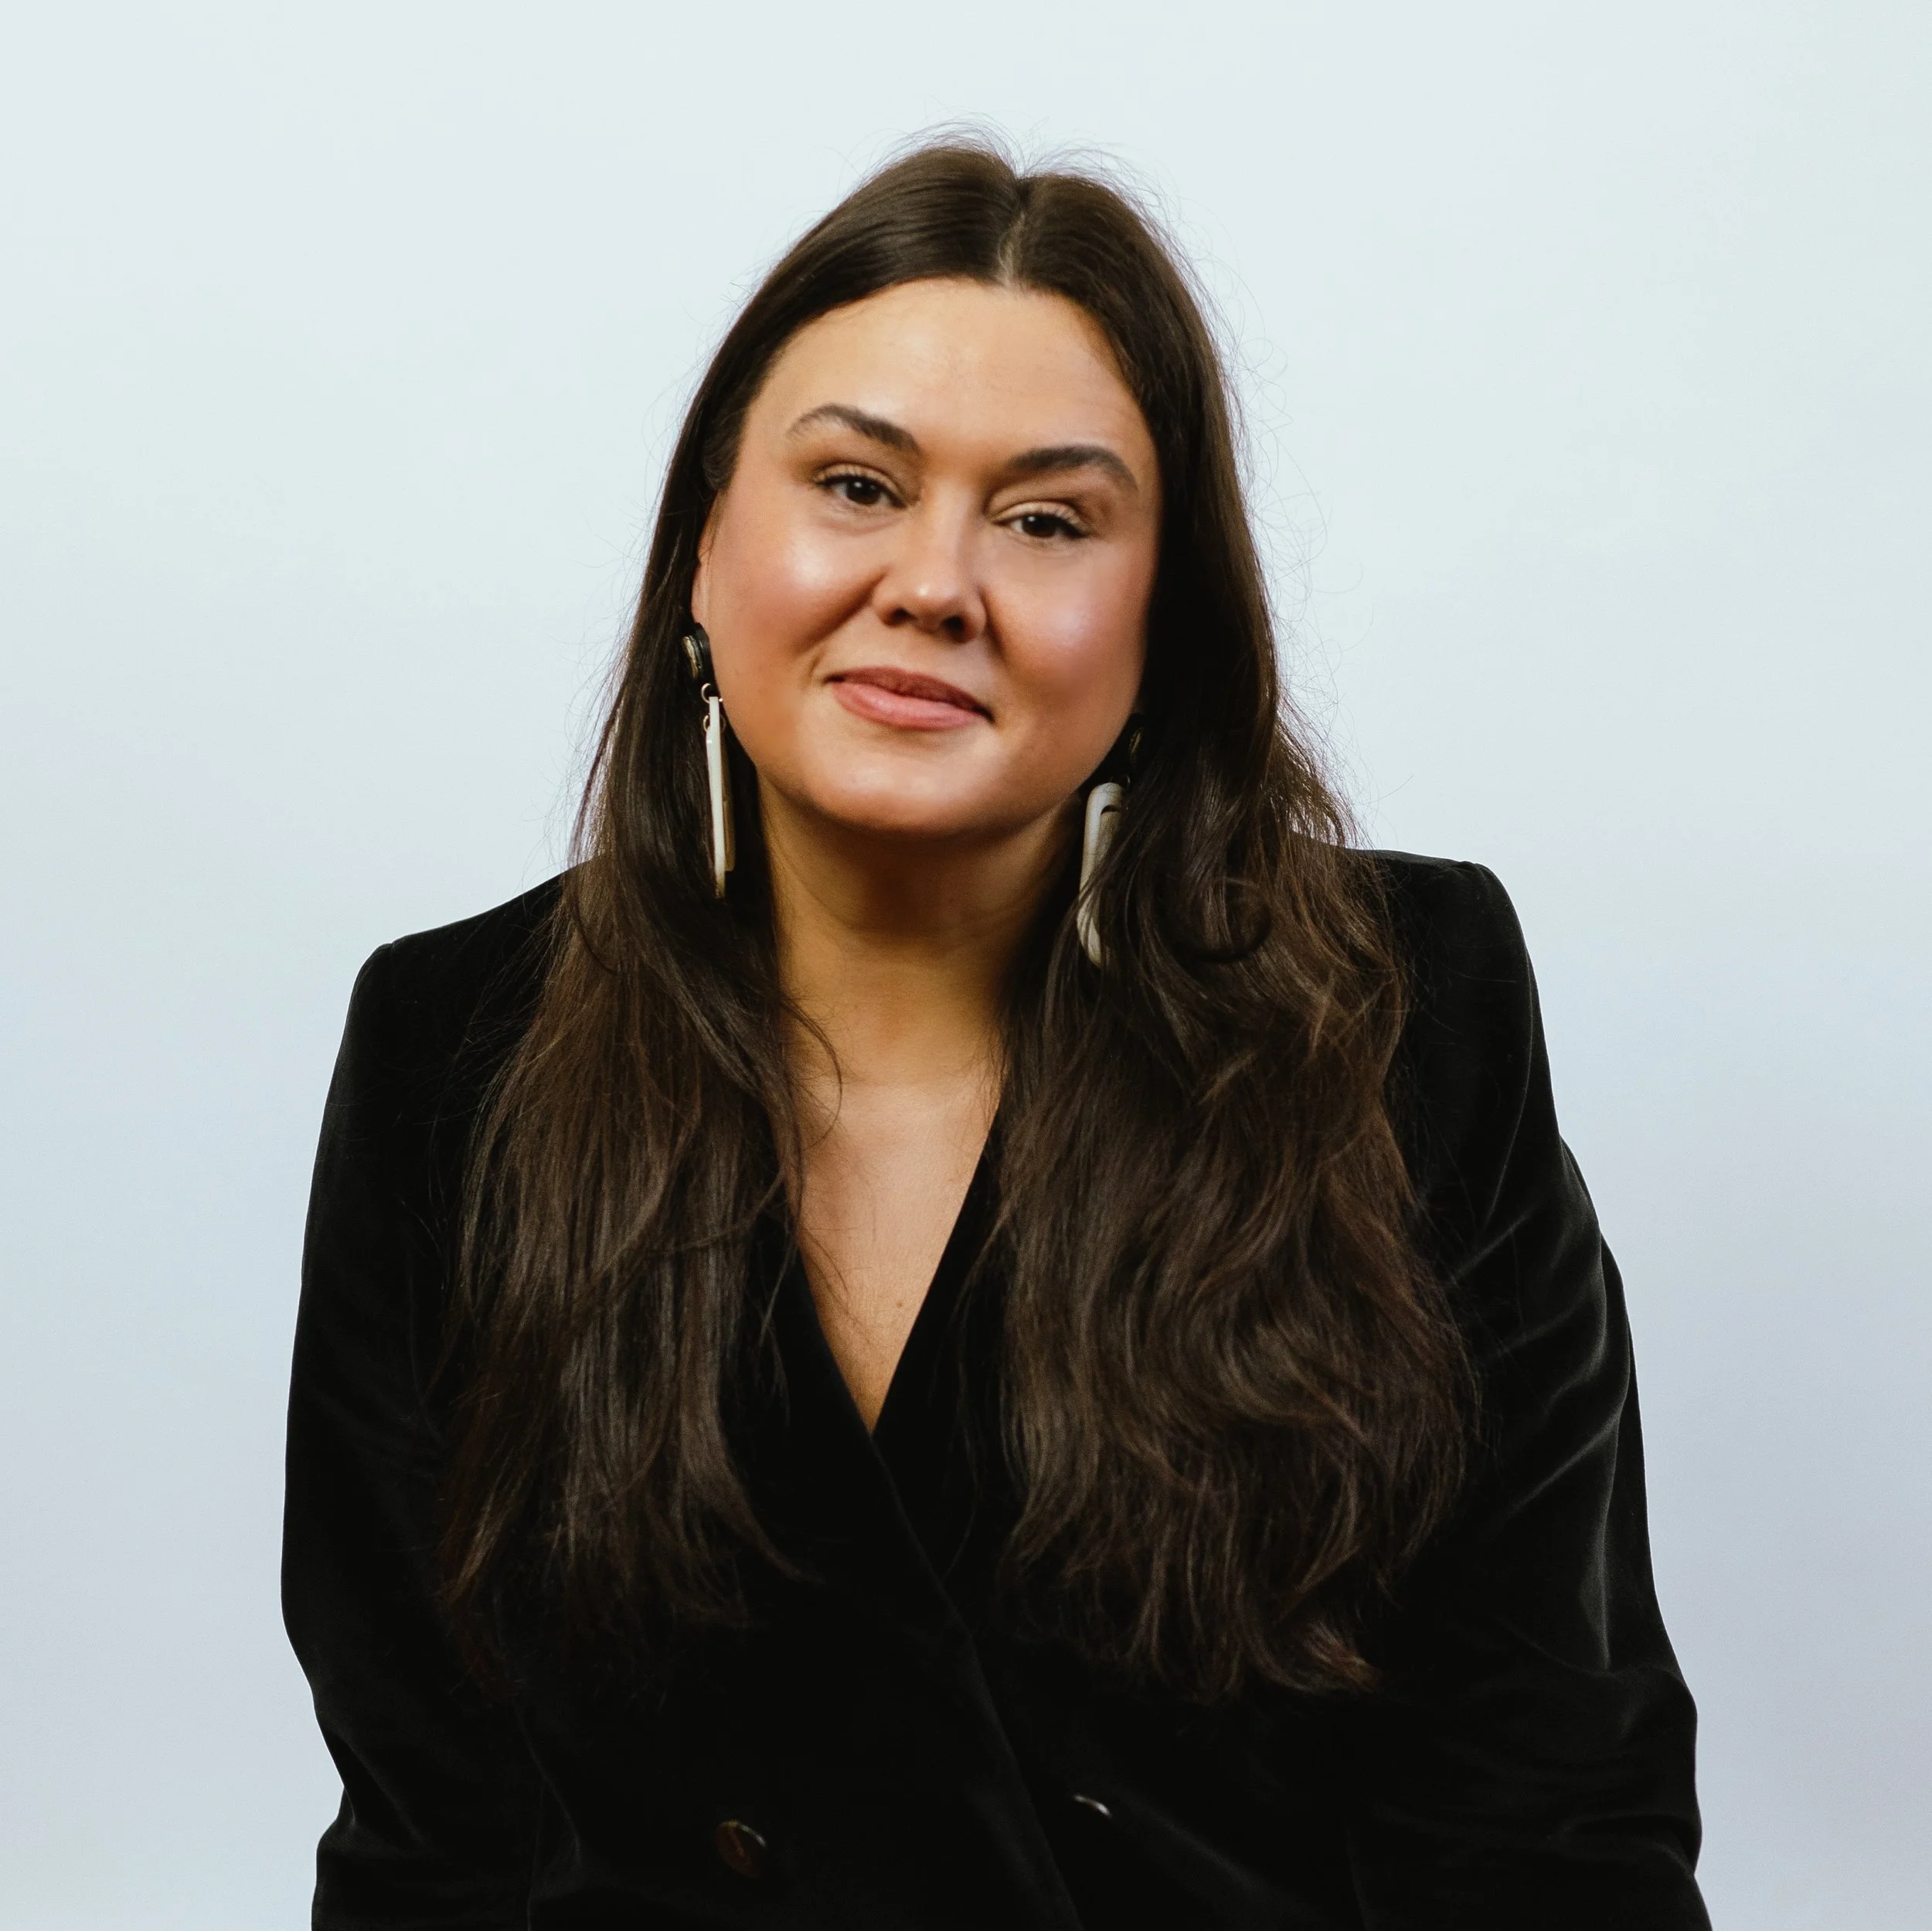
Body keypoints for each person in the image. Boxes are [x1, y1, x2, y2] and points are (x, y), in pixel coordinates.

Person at [284, 140, 1709, 1929]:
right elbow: (431, 1842)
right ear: (706, 548)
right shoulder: (454, 1054)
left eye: (1045, 519)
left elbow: (1550, 1822)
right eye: (855, 485)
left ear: (1163, 621)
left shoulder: (1405, 1020)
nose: (933, 581)